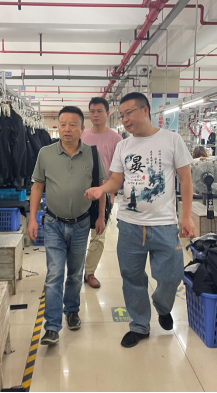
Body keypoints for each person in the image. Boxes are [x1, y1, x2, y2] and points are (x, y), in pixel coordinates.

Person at [84, 92, 196, 349]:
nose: (125, 119)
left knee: (171, 275)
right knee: (131, 276)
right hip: (130, 224)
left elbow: (186, 180)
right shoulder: (123, 146)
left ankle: (162, 306)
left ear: (145, 111)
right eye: (122, 115)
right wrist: (102, 189)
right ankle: (139, 325)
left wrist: (186, 216)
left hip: (164, 224)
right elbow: (116, 180)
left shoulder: (172, 140)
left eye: (129, 113)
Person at [28, 106, 107, 346]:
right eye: (62, 124)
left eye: (73, 125)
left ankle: (72, 310)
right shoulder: (45, 153)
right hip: (53, 223)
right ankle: (52, 327)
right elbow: (37, 187)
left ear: (82, 128)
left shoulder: (92, 154)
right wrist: (32, 218)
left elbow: (101, 188)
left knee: (74, 273)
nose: (67, 129)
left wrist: (101, 217)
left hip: (81, 224)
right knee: (54, 274)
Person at [81, 97, 123, 289]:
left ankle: (89, 272)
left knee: (98, 234)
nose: (95, 115)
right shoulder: (82, 136)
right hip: (81, 192)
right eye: (92, 111)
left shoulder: (116, 139)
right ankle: (76, 270)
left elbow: (119, 170)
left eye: (99, 111)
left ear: (107, 114)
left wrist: (111, 194)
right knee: (78, 233)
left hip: (104, 193)